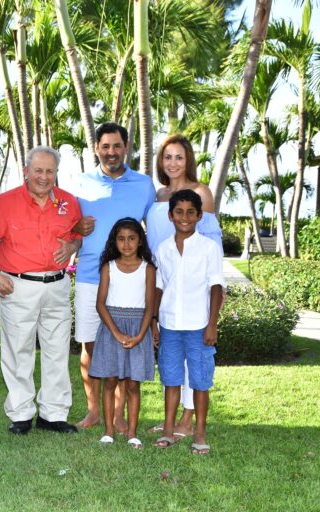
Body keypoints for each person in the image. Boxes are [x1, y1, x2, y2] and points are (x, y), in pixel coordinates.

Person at [0, 146, 82, 435]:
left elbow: (77, 237)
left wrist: (72, 247)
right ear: (26, 171)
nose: (43, 176)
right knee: (18, 350)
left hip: (57, 285)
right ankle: (21, 413)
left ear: (56, 173)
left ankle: (53, 414)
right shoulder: (3, 204)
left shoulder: (69, 202)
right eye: (38, 170)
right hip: (18, 286)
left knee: (57, 350)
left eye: (50, 171)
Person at [73, 123, 156, 432]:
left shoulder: (144, 185)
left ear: (126, 147)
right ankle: (94, 411)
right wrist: (76, 229)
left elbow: (153, 230)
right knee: (90, 344)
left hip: (130, 277)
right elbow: (69, 227)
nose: (111, 152)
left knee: (124, 345)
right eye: (105, 146)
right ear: (97, 148)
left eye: (117, 146)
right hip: (89, 275)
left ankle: (118, 415)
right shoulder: (81, 183)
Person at [145, 134, 222, 438]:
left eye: (179, 157)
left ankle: (188, 419)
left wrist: (216, 291)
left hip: (195, 286)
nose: (173, 163)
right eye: (167, 157)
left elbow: (212, 239)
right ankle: (171, 420)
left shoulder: (201, 192)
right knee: (172, 360)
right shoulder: (160, 195)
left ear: (188, 159)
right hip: (164, 280)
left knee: (195, 359)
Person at [152, 189, 224, 455]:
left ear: (199, 215)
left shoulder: (209, 247)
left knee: (200, 381)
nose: (185, 217)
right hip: (170, 324)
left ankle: (200, 432)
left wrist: (212, 323)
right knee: (171, 379)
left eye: (190, 212)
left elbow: (216, 286)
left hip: (198, 325)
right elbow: (159, 286)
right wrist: (154, 320)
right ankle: (168, 430)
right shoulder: (163, 249)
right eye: (179, 212)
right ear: (170, 216)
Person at [88, 218, 156, 449]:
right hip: (111, 328)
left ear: (140, 241)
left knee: (133, 384)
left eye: (132, 238)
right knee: (110, 381)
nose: (126, 244)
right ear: (114, 241)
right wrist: (116, 333)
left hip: (138, 329)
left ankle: (132, 433)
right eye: (121, 239)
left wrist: (141, 335)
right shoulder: (108, 267)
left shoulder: (148, 269)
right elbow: (100, 304)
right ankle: (108, 431)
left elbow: (150, 306)